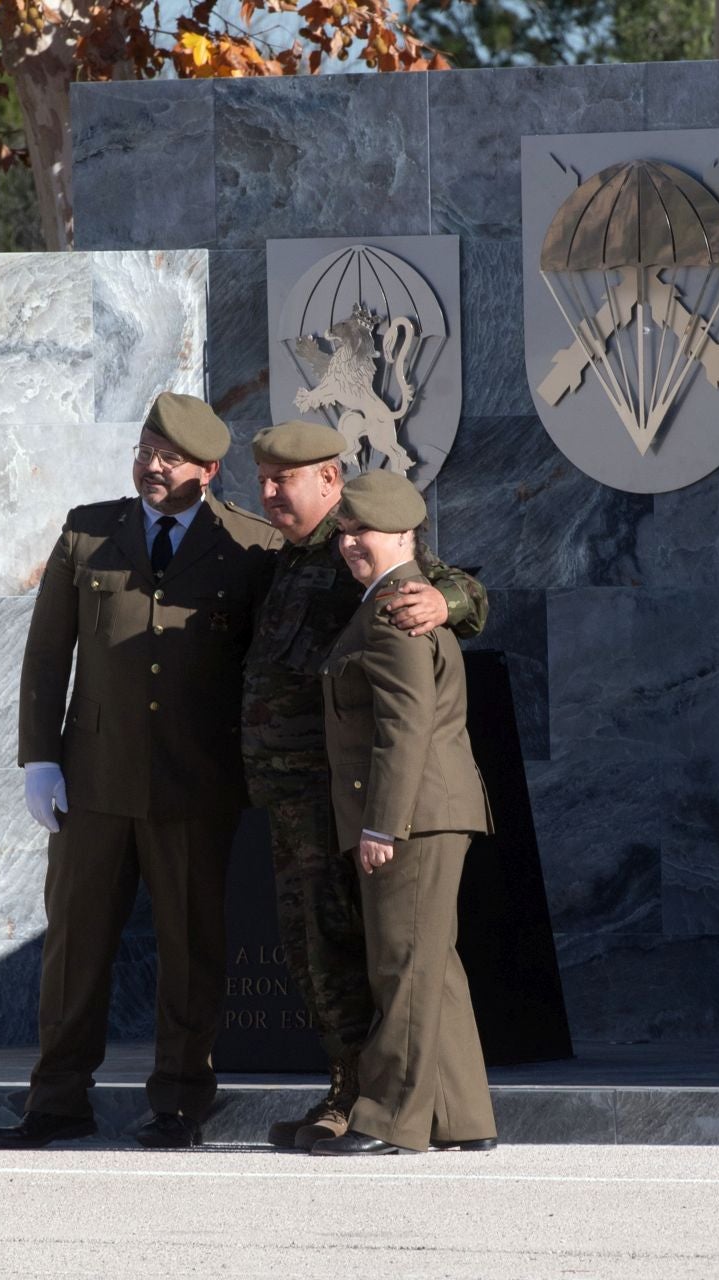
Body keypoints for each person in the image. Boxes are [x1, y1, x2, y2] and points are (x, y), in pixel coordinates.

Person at [0, 391, 283, 1150]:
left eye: (171, 457)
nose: (152, 466)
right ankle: (57, 1099)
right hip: (94, 784)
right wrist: (40, 759)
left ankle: (182, 1100)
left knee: (191, 950)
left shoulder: (250, 549)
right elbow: (48, 654)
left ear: (209, 471)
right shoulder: (90, 533)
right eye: (146, 449)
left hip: (196, 786)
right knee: (74, 947)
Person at [243, 422, 486, 1150]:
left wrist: (448, 604)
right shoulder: (278, 557)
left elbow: (457, 592)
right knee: (363, 953)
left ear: (329, 480)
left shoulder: (377, 555)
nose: (267, 493)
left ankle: (371, 1107)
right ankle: (458, 1116)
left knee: (375, 957)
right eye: (261, 479)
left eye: (282, 480)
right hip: (294, 794)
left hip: (351, 791)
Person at [310, 469, 495, 1156]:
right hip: (433, 810)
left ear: (408, 535)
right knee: (430, 966)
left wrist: (381, 824)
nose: (355, 543)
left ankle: (390, 1119)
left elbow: (405, 727)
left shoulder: (395, 609)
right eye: (348, 532)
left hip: (412, 815)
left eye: (370, 532)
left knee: (401, 967)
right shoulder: (394, 600)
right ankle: (463, 1116)